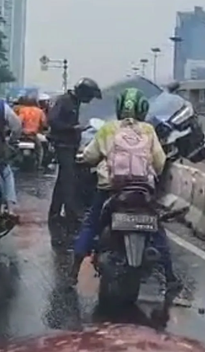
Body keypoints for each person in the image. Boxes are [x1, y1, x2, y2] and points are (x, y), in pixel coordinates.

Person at [70, 88, 180, 293]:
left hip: (110, 189)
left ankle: (74, 271)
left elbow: (90, 156)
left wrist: (84, 160)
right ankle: (170, 276)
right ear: (142, 109)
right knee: (156, 229)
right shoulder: (148, 130)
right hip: (142, 190)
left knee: (91, 224)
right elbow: (160, 162)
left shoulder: (107, 129)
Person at [47, 78, 102, 238]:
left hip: (70, 145)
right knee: (69, 179)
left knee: (63, 180)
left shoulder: (74, 102)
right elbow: (52, 120)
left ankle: (55, 213)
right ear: (83, 93)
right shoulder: (64, 101)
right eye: (89, 96)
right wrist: (72, 128)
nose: (89, 100)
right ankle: (72, 214)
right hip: (62, 145)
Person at [0, 98, 22, 216]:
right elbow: (17, 126)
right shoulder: (0, 106)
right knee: (6, 172)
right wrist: (12, 141)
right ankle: (10, 207)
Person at [16, 95, 48, 169]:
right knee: (40, 149)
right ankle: (39, 164)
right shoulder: (39, 111)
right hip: (34, 134)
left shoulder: (22, 110)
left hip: (22, 134)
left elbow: (19, 121)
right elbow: (44, 123)